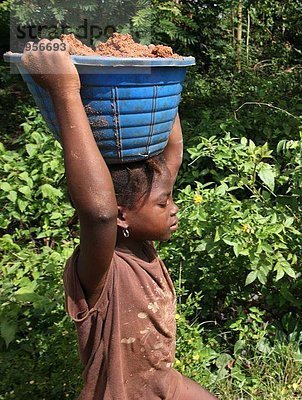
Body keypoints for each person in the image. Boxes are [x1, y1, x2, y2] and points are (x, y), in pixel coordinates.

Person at [21, 38, 218, 400]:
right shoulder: (101, 269)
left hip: (160, 380)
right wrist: (65, 90)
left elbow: (172, 153)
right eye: (163, 204)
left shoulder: (140, 241)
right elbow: (97, 213)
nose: (173, 208)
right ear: (121, 216)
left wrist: (160, 87)